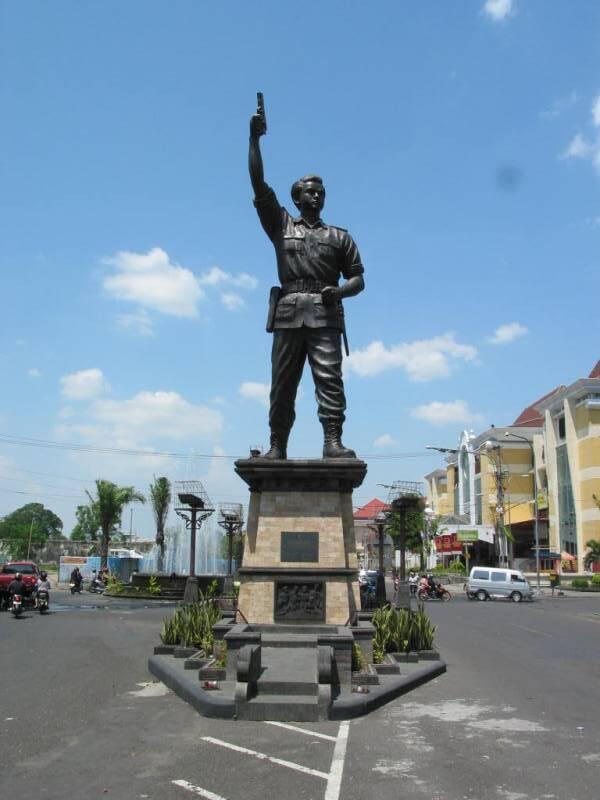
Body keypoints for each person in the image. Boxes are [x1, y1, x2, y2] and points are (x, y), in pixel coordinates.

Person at [248, 99, 365, 459]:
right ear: (296, 198)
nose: (316, 195)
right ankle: (276, 445)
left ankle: (332, 441)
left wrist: (340, 291)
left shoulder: (339, 236)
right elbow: (257, 182)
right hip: (288, 311)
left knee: (329, 380)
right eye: (310, 191)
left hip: (325, 313)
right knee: (282, 383)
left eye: (321, 192)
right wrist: (254, 141)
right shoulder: (280, 223)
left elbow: (359, 278)